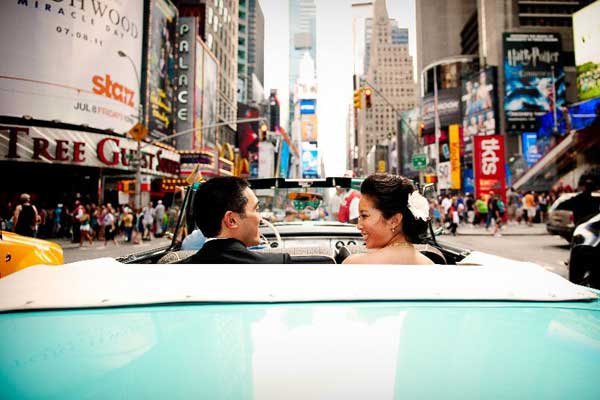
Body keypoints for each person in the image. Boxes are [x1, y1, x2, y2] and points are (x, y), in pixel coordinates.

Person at [184, 177, 292, 264]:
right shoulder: (278, 264)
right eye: (256, 209)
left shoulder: (173, 271)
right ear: (231, 220)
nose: (260, 219)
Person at [343, 174, 433, 265]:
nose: (359, 226)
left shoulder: (354, 263)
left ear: (394, 221)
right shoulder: (429, 263)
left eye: (364, 215)